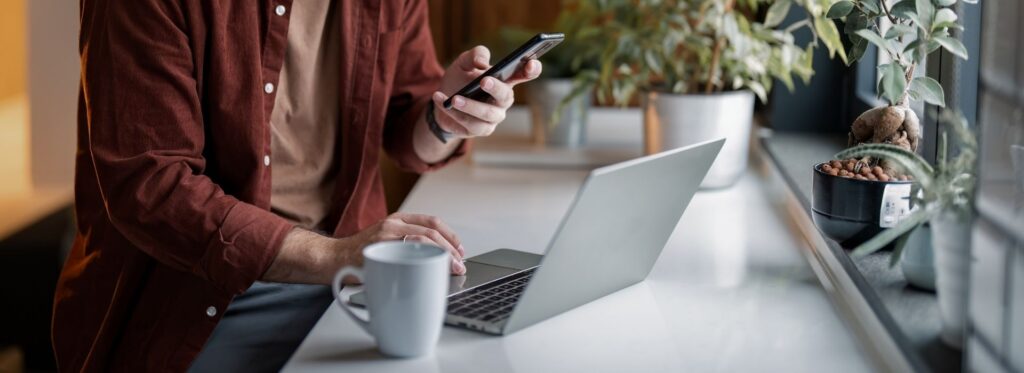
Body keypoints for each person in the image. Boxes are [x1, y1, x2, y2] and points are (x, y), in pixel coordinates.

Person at [52, 0, 541, 371]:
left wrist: (445, 119)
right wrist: (342, 256)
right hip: (194, 308)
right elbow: (153, 189)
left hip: (345, 284)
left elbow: (401, 127)